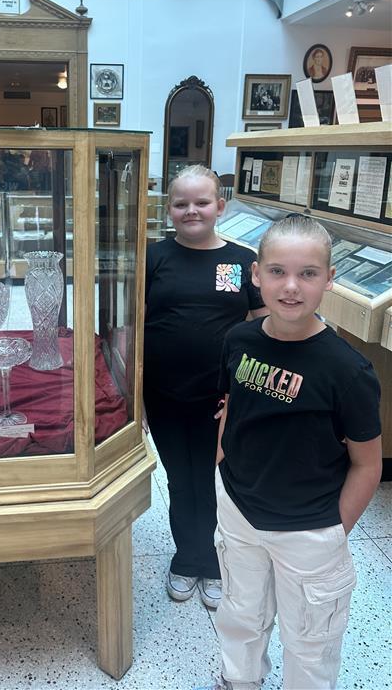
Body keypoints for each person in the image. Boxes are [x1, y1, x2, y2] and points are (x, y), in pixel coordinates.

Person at [201, 215, 382, 690]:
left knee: (310, 639)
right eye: (278, 272)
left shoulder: (347, 370)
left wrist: (332, 529)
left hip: (310, 527)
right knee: (240, 612)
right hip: (239, 509)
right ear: (256, 274)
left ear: (329, 279)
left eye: (308, 273)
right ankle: (239, 681)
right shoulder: (238, 340)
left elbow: (367, 462)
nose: (291, 288)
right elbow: (230, 405)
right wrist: (223, 466)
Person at [144, 164, 266, 608]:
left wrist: (247, 393)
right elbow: (134, 328)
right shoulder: (153, 258)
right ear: (169, 208)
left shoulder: (239, 260)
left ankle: (214, 561)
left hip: (223, 398)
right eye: (181, 203)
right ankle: (188, 557)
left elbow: (257, 325)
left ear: (220, 205)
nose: (191, 210)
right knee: (181, 479)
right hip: (164, 393)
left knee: (217, 480)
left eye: (201, 202)